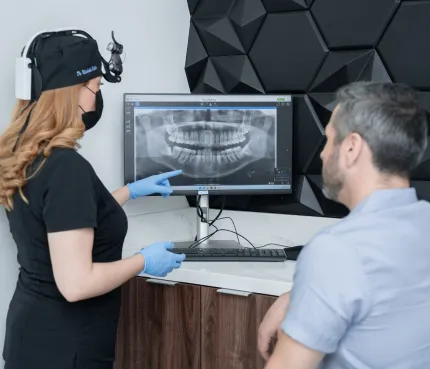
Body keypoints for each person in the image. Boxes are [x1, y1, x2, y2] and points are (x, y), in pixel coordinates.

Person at [0, 31, 186, 369]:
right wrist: (144, 261)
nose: (96, 99)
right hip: (68, 346)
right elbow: (76, 284)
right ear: (71, 92)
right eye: (96, 87)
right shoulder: (66, 167)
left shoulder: (25, 154)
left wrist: (130, 191)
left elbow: (62, 220)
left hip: (32, 335)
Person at [258, 81, 430, 369]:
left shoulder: (336, 251)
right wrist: (300, 296)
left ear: (351, 147)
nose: (324, 154)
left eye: (329, 139)